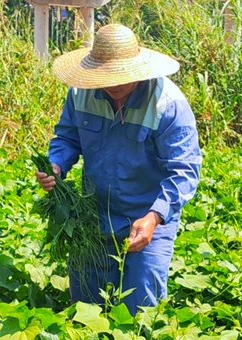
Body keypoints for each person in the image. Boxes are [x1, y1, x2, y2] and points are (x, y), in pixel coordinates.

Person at [35, 24, 201, 316]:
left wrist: (154, 216)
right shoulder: (80, 95)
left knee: (140, 310)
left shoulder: (167, 104)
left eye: (119, 76)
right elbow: (67, 137)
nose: (113, 84)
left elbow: (184, 170)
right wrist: (56, 165)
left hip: (147, 217)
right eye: (105, 76)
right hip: (92, 212)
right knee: (85, 307)